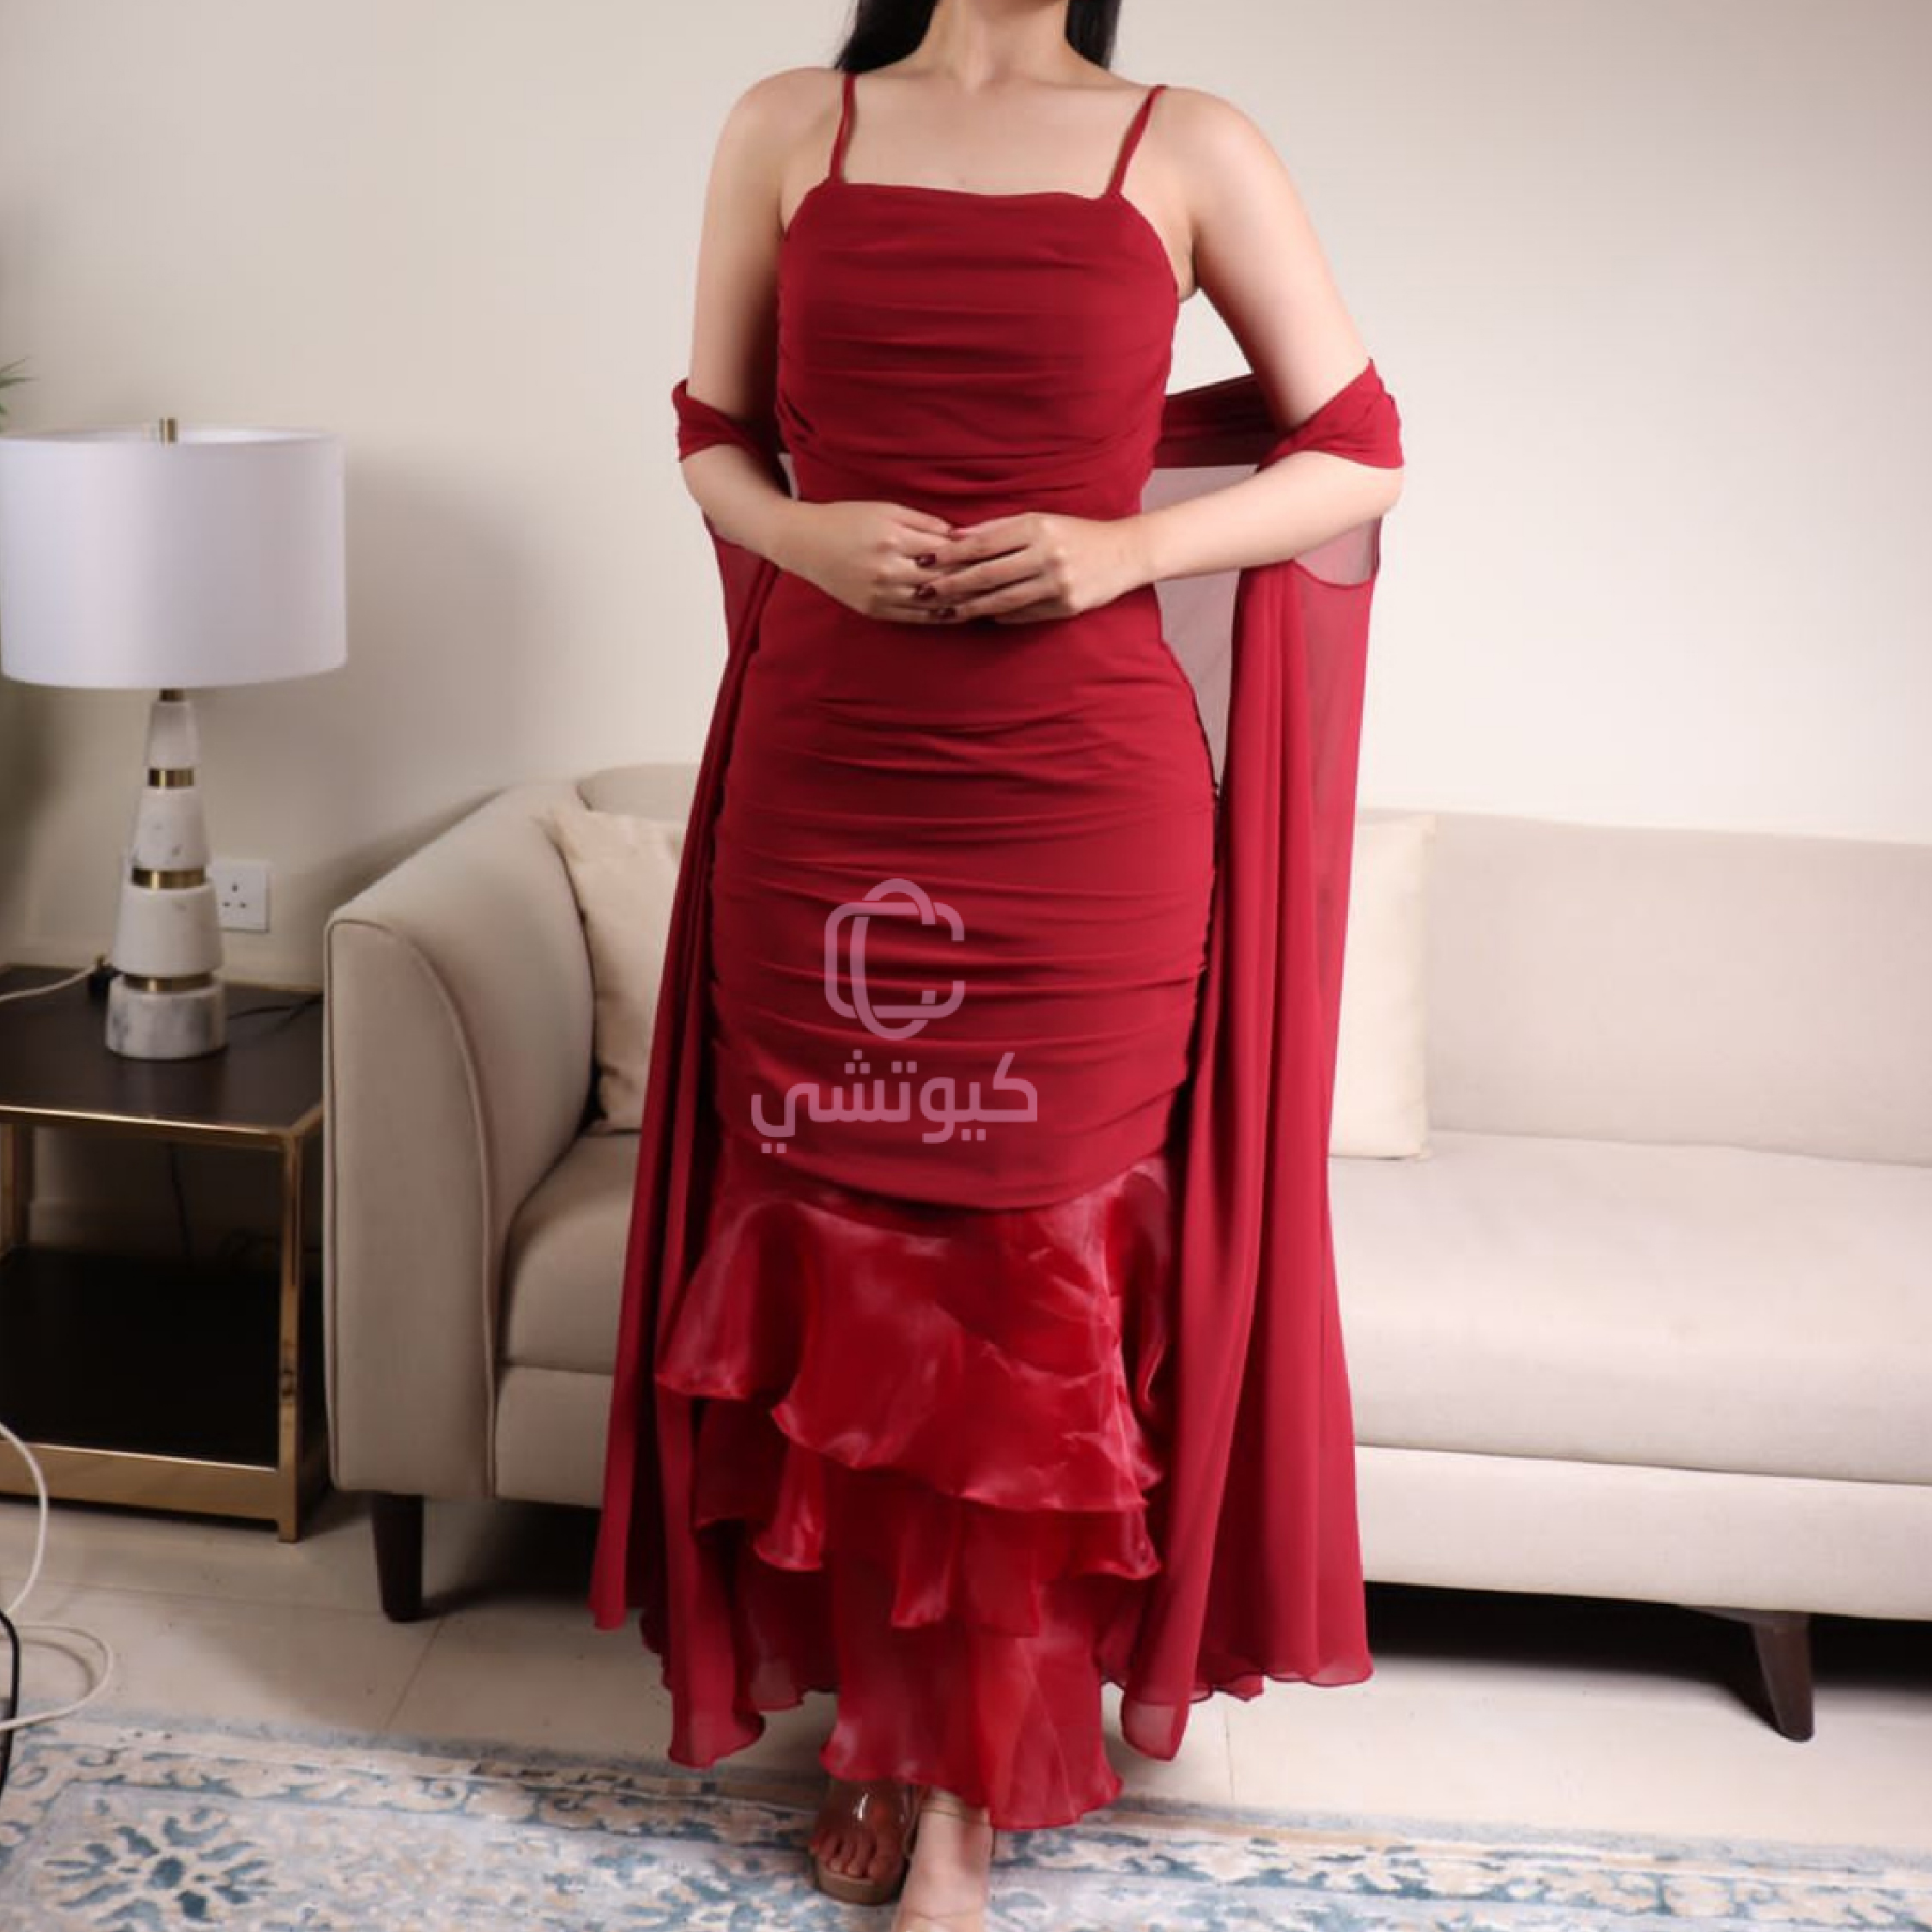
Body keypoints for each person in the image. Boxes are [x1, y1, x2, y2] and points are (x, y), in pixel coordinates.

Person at [589, 3, 1405, 1927]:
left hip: (1079, 807)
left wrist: (1122, 553)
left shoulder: (1187, 142)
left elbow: (1359, 453)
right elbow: (713, 437)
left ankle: (959, 1792)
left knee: (1033, 1254)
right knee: (847, 1230)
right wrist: (809, 536)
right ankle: (886, 1725)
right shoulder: (791, 121)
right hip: (827, 773)